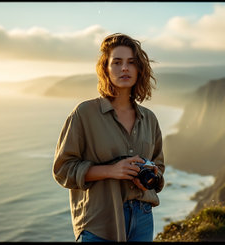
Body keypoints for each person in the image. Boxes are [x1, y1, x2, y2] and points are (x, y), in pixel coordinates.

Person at [52, 33, 165, 242]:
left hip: (143, 218)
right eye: (117, 62)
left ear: (139, 69)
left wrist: (151, 176)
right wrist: (111, 170)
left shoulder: (149, 118)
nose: (125, 68)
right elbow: (62, 170)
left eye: (131, 62)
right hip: (99, 221)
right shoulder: (84, 114)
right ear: (105, 68)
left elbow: (159, 166)